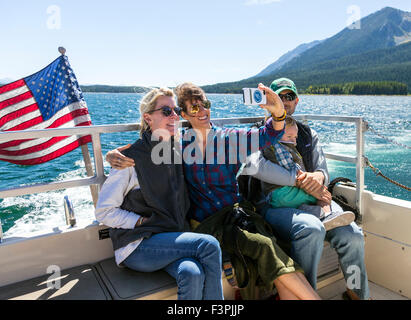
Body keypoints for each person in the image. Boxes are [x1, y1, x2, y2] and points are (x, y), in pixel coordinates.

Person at [107, 82, 321, 300]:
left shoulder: (228, 139)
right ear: (182, 114)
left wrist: (278, 114)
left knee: (275, 253)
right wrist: (112, 153)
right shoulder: (178, 145)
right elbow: (144, 148)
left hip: (237, 216)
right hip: (207, 225)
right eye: (194, 108)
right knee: (267, 248)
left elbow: (269, 135)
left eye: (205, 105)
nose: (202, 112)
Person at [95, 87, 224, 300]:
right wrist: (138, 221)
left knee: (192, 273)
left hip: (169, 235)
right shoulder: (129, 160)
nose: (174, 116)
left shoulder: (177, 148)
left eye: (175, 110)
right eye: (166, 111)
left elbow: (209, 139)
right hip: (138, 244)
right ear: (148, 118)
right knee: (208, 245)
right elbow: (104, 211)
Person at [256, 78, 370, 300]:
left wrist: (316, 177)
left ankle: (357, 294)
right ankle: (305, 296)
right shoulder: (259, 134)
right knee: (311, 229)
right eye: (279, 96)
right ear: (270, 99)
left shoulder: (307, 134)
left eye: (289, 96)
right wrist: (299, 180)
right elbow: (257, 168)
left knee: (353, 235)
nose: (284, 101)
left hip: (311, 198)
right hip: (274, 204)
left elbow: (322, 172)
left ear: (296, 101)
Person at [261, 115, 356, 231]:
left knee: (323, 196)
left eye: (295, 137)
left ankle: (324, 215)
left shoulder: (298, 138)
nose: (294, 141)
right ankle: (325, 215)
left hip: (285, 193)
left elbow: (320, 170)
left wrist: (318, 178)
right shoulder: (279, 148)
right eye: (289, 136)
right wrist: (312, 186)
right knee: (322, 197)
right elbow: (291, 169)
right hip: (282, 194)